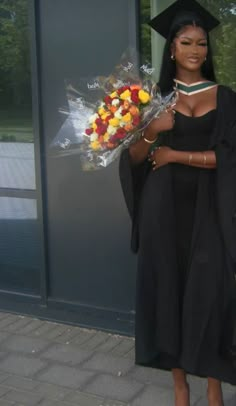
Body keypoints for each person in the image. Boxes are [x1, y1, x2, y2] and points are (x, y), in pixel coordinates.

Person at [119, 0, 236, 405]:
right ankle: (181, 387)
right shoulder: (154, 98)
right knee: (169, 290)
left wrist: (175, 155)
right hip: (162, 208)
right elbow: (132, 160)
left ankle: (214, 387)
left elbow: (231, 157)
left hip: (211, 207)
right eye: (186, 42)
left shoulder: (225, 96)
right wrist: (151, 132)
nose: (195, 50)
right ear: (172, 48)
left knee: (211, 291)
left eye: (201, 43)